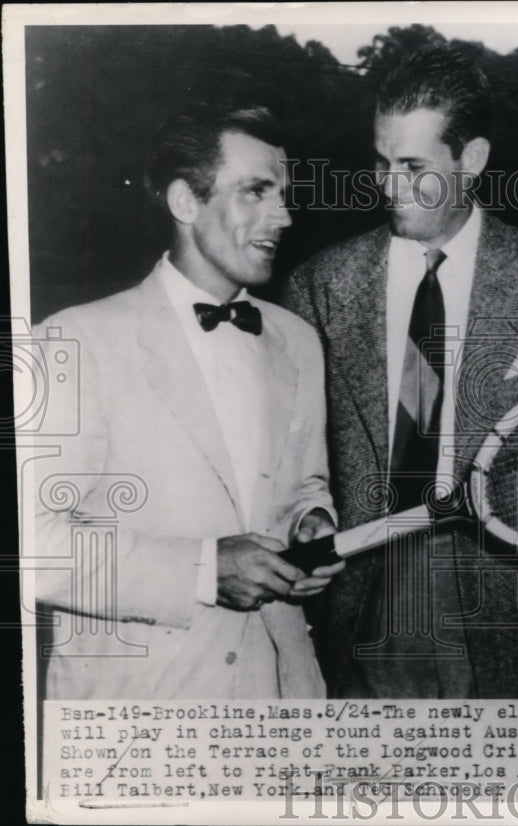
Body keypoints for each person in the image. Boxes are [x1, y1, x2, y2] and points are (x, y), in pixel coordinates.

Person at [284, 46, 518, 699]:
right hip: (357, 616)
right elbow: (293, 466)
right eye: (381, 162)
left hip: (501, 620)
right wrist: (302, 523)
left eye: (413, 166)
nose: (389, 185)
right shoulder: (318, 285)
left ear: (473, 159)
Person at [33, 104, 340, 699]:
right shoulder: (75, 341)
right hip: (141, 712)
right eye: (257, 191)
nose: (284, 215)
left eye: (284, 193)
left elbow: (307, 484)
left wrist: (312, 524)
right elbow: (33, 544)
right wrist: (203, 570)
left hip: (287, 698)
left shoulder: (296, 339)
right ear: (185, 203)